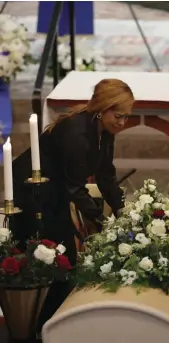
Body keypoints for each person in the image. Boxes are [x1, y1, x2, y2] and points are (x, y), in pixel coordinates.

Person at [11, 78, 135, 335]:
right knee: (55, 255)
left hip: (55, 190)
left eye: (127, 117)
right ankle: (42, 326)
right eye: (119, 116)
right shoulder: (77, 133)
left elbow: (106, 176)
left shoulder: (104, 131)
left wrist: (123, 211)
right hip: (32, 191)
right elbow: (75, 189)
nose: (123, 123)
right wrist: (104, 222)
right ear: (103, 108)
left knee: (63, 255)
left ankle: (53, 324)